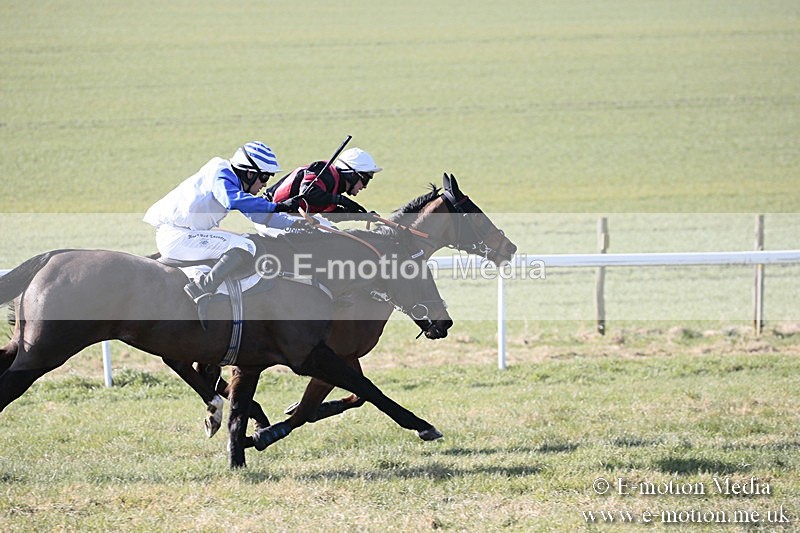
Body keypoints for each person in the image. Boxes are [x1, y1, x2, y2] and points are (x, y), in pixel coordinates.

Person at [143, 141, 301, 327]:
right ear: (249, 173)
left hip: (183, 235)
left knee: (245, 241)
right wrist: (276, 206)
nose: (265, 184)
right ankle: (201, 289)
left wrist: (296, 224)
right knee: (246, 245)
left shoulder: (234, 183)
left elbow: (259, 215)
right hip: (177, 237)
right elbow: (230, 200)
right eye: (264, 176)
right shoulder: (220, 171)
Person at [266, 147, 382, 216]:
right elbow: (307, 193)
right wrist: (342, 200)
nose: (365, 186)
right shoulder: (324, 171)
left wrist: (361, 216)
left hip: (285, 215)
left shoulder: (335, 185)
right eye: (365, 180)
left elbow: (331, 215)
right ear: (352, 175)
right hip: (270, 213)